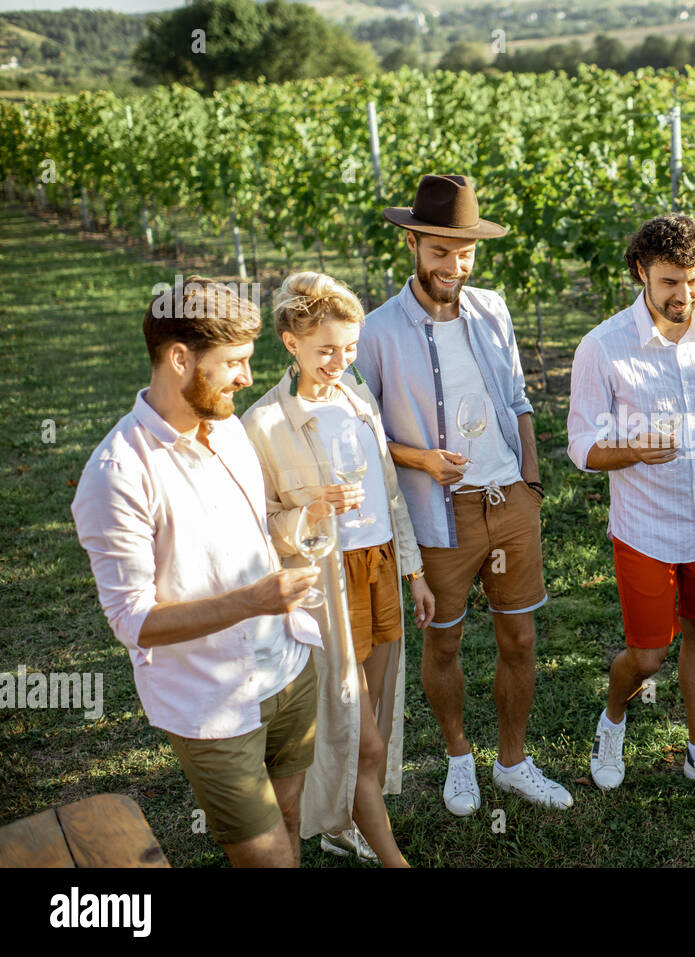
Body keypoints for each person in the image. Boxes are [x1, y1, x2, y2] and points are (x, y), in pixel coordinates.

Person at [71, 276, 323, 867]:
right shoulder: (116, 474)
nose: (246, 377)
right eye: (233, 362)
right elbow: (133, 621)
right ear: (180, 359)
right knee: (268, 860)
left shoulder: (229, 430)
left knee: (291, 821)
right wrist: (252, 602)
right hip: (214, 705)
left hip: (288, 669)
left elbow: (255, 531)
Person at [353, 174, 570, 814]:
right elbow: (358, 431)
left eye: (465, 251)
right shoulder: (378, 331)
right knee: (443, 641)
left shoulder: (493, 309)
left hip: (510, 502)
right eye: (440, 250)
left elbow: (520, 401)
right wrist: (421, 458)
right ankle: (457, 757)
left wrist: (530, 482)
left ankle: (513, 761)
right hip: (438, 514)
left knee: (520, 639)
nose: (454, 264)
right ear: (414, 244)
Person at [242, 271, 436, 868]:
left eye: (350, 348)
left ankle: (340, 822)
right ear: (290, 341)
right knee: (357, 731)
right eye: (326, 349)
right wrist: (312, 508)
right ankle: (391, 855)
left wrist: (413, 571)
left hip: (377, 568)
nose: (340, 360)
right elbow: (258, 526)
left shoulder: (357, 398)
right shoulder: (264, 424)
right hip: (327, 580)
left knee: (373, 711)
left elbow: (390, 492)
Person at [567, 213, 695, 800]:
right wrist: (631, 451)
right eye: (671, 281)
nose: (685, 295)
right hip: (646, 525)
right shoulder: (603, 347)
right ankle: (613, 720)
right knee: (648, 655)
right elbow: (580, 446)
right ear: (641, 273)